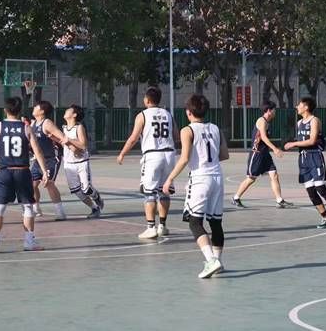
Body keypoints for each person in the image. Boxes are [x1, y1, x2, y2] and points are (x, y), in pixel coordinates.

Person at [162, 94, 229, 279]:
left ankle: (211, 260)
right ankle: (218, 261)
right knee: (215, 222)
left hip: (200, 178)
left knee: (194, 222)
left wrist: (169, 179)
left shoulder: (187, 130)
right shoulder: (215, 128)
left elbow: (184, 159)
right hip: (217, 177)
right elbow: (224, 155)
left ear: (188, 112)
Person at [0, 97, 49, 253]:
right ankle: (29, 242)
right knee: (27, 207)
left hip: (4, 171)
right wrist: (44, 171)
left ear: (5, 110)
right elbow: (37, 151)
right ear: (20, 111)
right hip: (22, 171)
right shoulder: (26, 128)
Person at [117, 86, 179, 239]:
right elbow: (176, 136)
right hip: (169, 154)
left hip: (152, 155)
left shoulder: (142, 115)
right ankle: (162, 225)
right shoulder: (168, 114)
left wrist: (122, 153)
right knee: (164, 191)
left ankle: (151, 227)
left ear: (147, 100)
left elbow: (133, 138)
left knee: (149, 193)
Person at [284, 97, 326, 229]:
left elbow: (312, 140)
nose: (297, 107)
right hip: (303, 159)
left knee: (321, 188)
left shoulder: (314, 120)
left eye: (299, 105)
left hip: (315, 157)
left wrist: (294, 143)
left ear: (306, 107)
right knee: (311, 192)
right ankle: (325, 217)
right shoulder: (299, 123)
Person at [231, 100, 294, 209]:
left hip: (265, 154)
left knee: (274, 174)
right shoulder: (262, 121)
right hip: (257, 154)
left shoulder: (267, 122)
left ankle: (279, 200)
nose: (275, 112)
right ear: (269, 110)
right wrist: (275, 148)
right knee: (251, 178)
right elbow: (263, 137)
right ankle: (236, 198)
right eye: (274, 110)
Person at [62, 105, 104, 218]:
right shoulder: (64, 128)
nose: (66, 110)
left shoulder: (79, 127)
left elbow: (83, 145)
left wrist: (69, 140)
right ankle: (94, 208)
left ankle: (96, 197)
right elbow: (62, 141)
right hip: (68, 163)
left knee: (86, 188)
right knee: (77, 191)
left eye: (69, 110)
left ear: (74, 115)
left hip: (81, 162)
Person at [30, 101, 67, 220]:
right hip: (39, 159)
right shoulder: (33, 123)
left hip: (52, 158)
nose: (34, 108)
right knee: (32, 185)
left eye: (36, 107)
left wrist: (54, 139)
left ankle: (60, 213)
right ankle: (36, 209)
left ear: (42, 111)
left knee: (49, 184)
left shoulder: (47, 123)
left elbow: (63, 138)